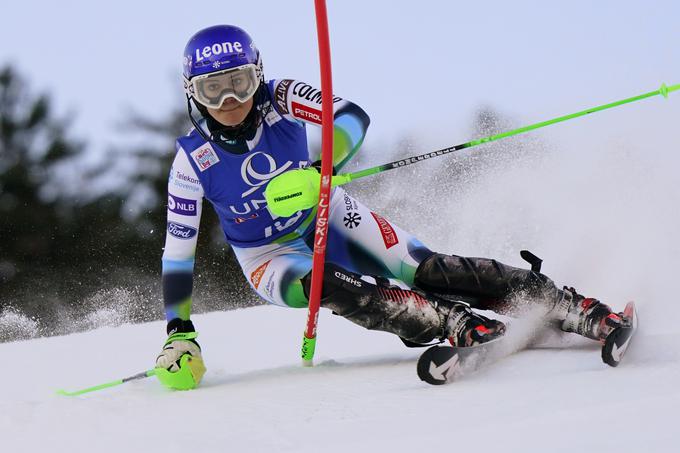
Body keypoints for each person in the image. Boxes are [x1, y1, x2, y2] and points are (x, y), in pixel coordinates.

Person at [154, 24, 629, 389]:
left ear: (257, 75)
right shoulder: (191, 161)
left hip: (327, 209)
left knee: (425, 268)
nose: (230, 99)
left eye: (239, 81)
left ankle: (572, 307)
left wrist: (320, 169)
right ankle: (455, 323)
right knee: (323, 284)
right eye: (213, 88)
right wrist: (179, 330)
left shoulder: (281, 96)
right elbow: (178, 253)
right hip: (267, 256)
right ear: (193, 92)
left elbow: (351, 117)